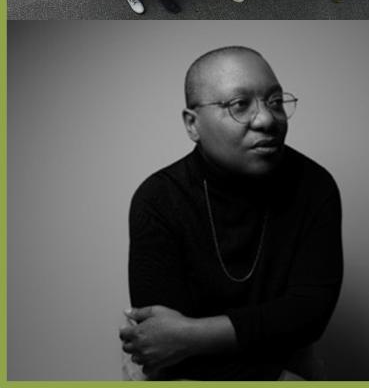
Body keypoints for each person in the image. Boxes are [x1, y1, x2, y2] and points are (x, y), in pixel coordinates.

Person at [120, 45, 342, 378]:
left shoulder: (315, 186)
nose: (267, 119)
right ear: (192, 125)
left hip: (284, 363)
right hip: (183, 371)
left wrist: (192, 335)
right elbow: (161, 341)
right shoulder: (158, 199)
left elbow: (310, 316)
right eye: (239, 105)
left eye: (275, 101)